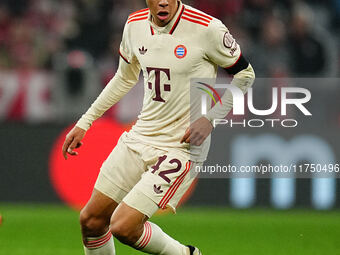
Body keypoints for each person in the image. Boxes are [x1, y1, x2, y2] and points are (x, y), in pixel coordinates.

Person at [62, 0, 255, 254]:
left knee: (123, 226)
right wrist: (85, 122)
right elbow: (124, 77)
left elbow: (245, 75)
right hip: (141, 135)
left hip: (181, 145)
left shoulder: (207, 28)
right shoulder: (134, 25)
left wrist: (210, 119)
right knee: (91, 220)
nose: (163, 1)